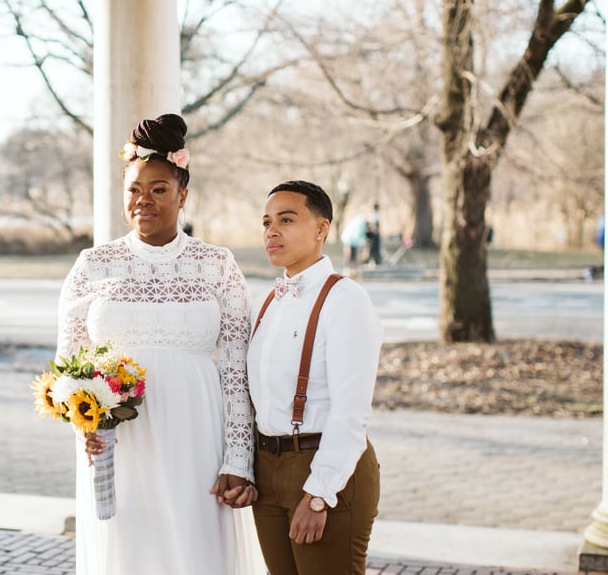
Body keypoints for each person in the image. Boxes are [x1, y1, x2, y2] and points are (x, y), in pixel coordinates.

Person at [57, 113, 259, 575]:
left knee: (195, 554)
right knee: (130, 553)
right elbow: (67, 365)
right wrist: (82, 424)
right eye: (133, 189)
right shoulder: (93, 264)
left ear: (182, 194)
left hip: (198, 438)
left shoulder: (217, 265)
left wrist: (238, 458)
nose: (143, 200)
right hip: (119, 445)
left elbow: (236, 369)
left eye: (158, 189)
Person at [249, 180, 382, 575]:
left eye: (286, 220)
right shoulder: (269, 300)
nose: (272, 231)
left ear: (322, 228)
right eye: (267, 222)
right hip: (267, 468)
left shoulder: (346, 299)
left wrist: (320, 494)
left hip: (324, 467)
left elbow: (351, 411)